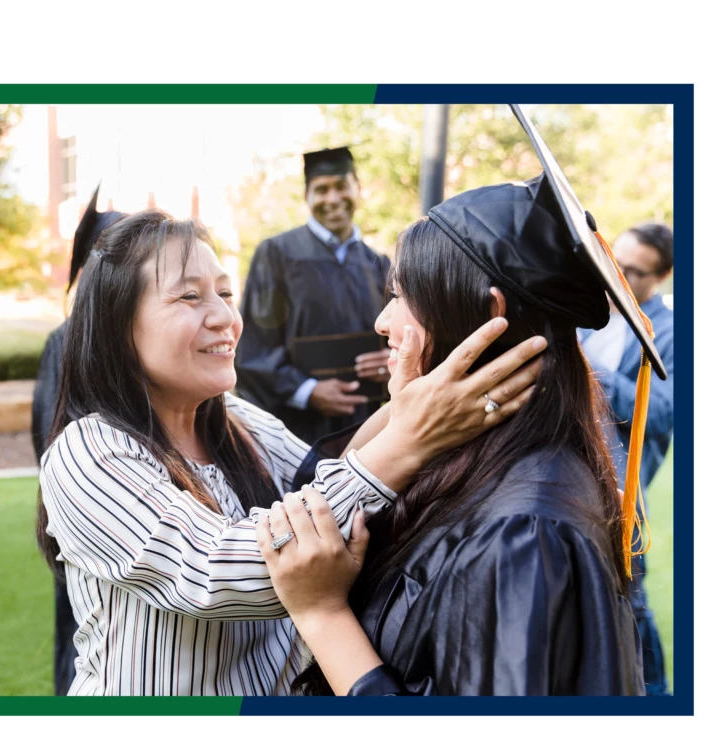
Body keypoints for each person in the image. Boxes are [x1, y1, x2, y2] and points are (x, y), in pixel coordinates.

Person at [36, 208, 544, 696]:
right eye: (190, 297)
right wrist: (411, 437)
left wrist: (415, 394)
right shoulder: (88, 453)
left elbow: (327, 478)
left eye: (226, 292)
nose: (225, 318)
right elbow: (227, 569)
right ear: (117, 327)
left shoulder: (234, 421)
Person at [257, 106, 667, 696]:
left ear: (488, 319)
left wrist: (323, 614)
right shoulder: (480, 461)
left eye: (403, 297)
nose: (381, 320)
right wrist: (411, 408)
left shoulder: (525, 540)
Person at [31, 184, 125, 696]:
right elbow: (50, 436)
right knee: (83, 641)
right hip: (88, 524)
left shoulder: (138, 337)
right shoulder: (65, 341)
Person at [235, 146, 393, 445]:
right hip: (297, 434)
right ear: (307, 196)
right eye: (321, 189)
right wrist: (307, 391)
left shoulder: (378, 264)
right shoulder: (277, 255)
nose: (332, 199)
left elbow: (397, 340)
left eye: (342, 187)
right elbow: (255, 348)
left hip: (365, 433)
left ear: (358, 189)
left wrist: (391, 365)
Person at [578, 222, 674, 696]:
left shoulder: (673, 331)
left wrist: (589, 368)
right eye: (615, 261)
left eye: (634, 272)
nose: (618, 275)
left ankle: (657, 699)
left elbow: (662, 413)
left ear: (662, 278)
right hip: (572, 475)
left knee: (630, 601)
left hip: (623, 486)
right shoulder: (588, 312)